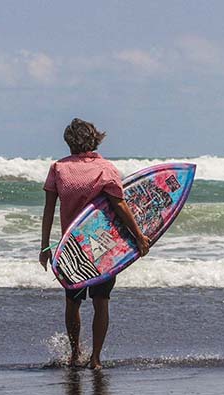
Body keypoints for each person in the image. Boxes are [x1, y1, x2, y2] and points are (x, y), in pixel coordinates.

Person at [39, 118, 150, 370]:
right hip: (104, 247)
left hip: (72, 249)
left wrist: (45, 246)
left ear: (69, 142)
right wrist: (139, 237)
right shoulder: (106, 169)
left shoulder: (58, 169)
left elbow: (49, 210)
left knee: (73, 301)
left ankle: (74, 353)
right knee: (101, 301)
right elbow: (119, 206)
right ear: (95, 139)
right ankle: (96, 359)